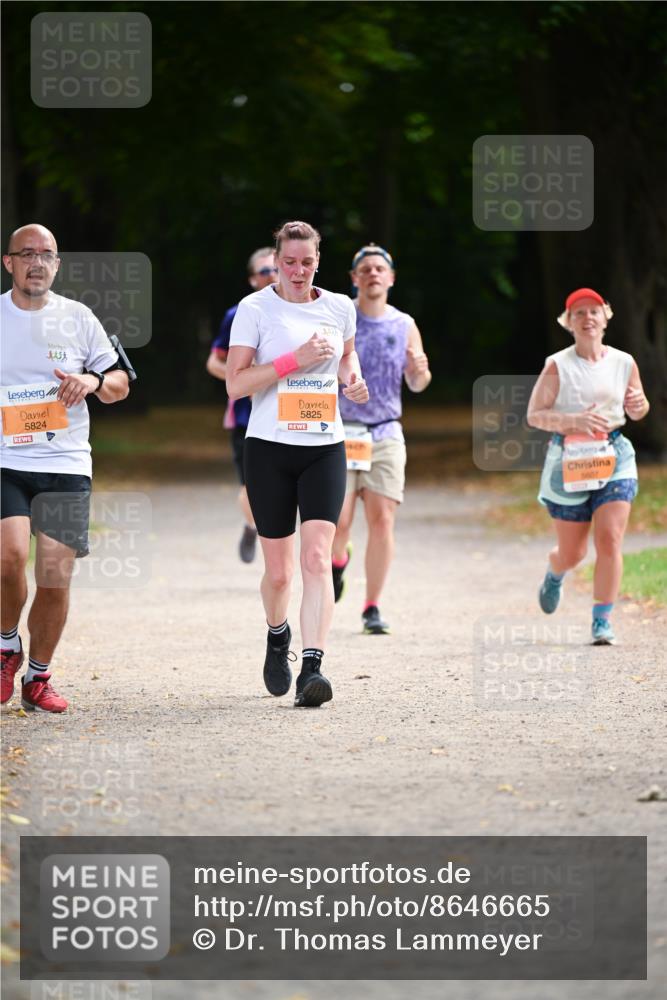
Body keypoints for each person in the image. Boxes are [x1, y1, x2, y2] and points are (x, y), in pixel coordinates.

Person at [226, 221, 369, 707]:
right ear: (276, 261)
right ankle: (276, 633)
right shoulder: (255, 309)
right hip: (269, 447)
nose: (298, 271)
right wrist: (296, 358)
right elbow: (236, 383)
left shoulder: (339, 307)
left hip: (324, 445)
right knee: (281, 573)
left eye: (307, 262)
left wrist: (353, 380)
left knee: (317, 558)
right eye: (289, 262)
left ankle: (313, 667)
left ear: (318, 261)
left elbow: (347, 358)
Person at [1, 224, 130, 712]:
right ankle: (6, 645)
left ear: (57, 265)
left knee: (55, 574)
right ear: (8, 262)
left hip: (64, 461)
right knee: (9, 557)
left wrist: (91, 380)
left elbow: (120, 383)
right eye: (26, 253)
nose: (37, 262)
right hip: (6, 460)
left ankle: (38, 676)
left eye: (47, 255)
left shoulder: (78, 318)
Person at [527, 287, 650, 645]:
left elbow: (637, 410)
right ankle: (555, 572)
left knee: (610, 539)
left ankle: (602, 620)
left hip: (615, 456)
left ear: (605, 317)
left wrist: (640, 405)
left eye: (594, 311)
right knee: (574, 552)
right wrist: (572, 422)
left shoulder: (624, 362)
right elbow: (535, 416)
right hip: (569, 460)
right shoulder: (557, 364)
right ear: (569, 322)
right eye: (578, 312)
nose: (587, 317)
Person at [331, 244, 431, 634]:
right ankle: (338, 561)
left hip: (386, 432)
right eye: (365, 269)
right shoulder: (341, 319)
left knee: (382, 520)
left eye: (380, 269)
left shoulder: (404, 324)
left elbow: (418, 383)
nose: (373, 274)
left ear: (391, 278)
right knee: (337, 521)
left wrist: (419, 370)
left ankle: (372, 605)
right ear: (354, 278)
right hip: (341, 431)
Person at [206, 248, 278, 563]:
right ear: (252, 279)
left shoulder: (302, 311)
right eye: (264, 272)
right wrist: (243, 381)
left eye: (277, 269)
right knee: (252, 487)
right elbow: (214, 362)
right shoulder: (237, 314)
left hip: (288, 414)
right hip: (248, 417)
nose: (272, 276)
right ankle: (252, 525)